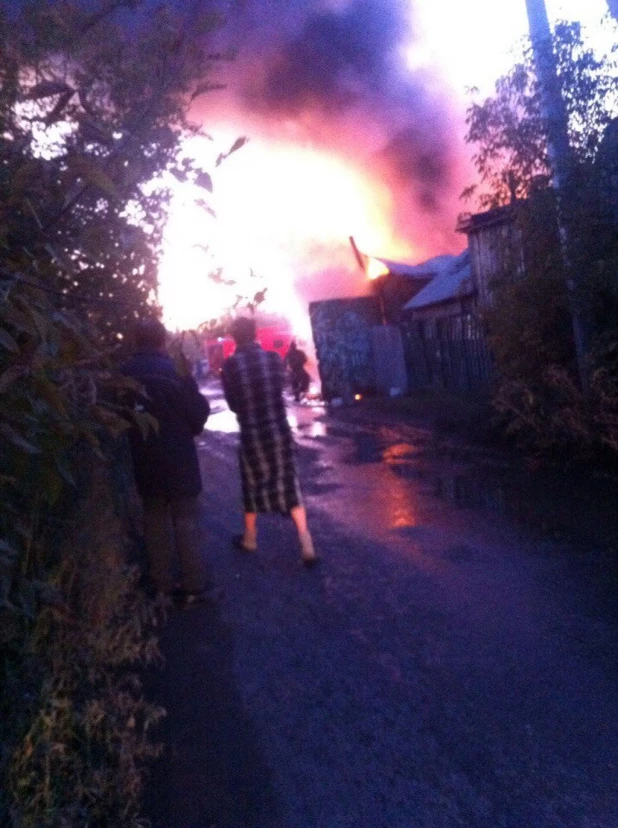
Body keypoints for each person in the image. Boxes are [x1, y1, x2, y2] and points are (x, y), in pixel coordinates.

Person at [123, 319, 213, 606]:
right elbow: (197, 417)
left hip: (144, 461)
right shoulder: (176, 372)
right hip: (180, 462)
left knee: (154, 521)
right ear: (162, 341)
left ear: (135, 341)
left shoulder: (123, 374)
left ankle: (161, 589)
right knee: (186, 521)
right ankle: (193, 588)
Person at [221, 317, 318, 566]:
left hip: (253, 434)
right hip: (278, 432)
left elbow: (233, 405)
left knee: (252, 484)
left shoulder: (230, 366)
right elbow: (282, 388)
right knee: (289, 483)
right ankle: (306, 543)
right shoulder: (274, 359)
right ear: (254, 334)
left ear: (235, 337)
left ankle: (250, 538)